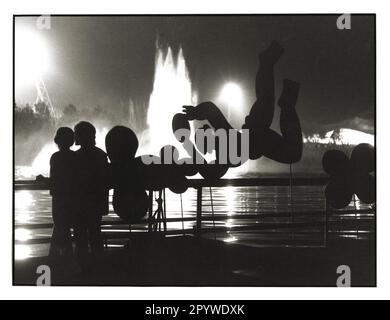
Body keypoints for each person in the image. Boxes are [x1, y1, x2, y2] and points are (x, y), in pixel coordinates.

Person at [181, 41, 303, 168]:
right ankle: (284, 96)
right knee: (292, 152)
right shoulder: (223, 150)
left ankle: (269, 68)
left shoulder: (224, 139)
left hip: (256, 130)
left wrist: (195, 112)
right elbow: (210, 110)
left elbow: (209, 109)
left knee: (266, 99)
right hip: (260, 137)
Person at [73, 121, 109, 261]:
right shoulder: (100, 155)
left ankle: (83, 267)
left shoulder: (76, 157)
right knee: (95, 234)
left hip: (80, 204)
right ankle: (98, 266)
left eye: (77, 133)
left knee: (80, 237)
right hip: (96, 204)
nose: (75, 136)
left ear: (83, 135)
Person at [48, 127, 77, 257]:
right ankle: (66, 257)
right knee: (65, 228)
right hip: (73, 199)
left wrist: (43, 180)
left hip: (59, 199)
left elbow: (55, 179)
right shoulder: (75, 156)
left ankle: (56, 259)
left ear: (57, 141)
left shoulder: (56, 157)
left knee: (60, 227)